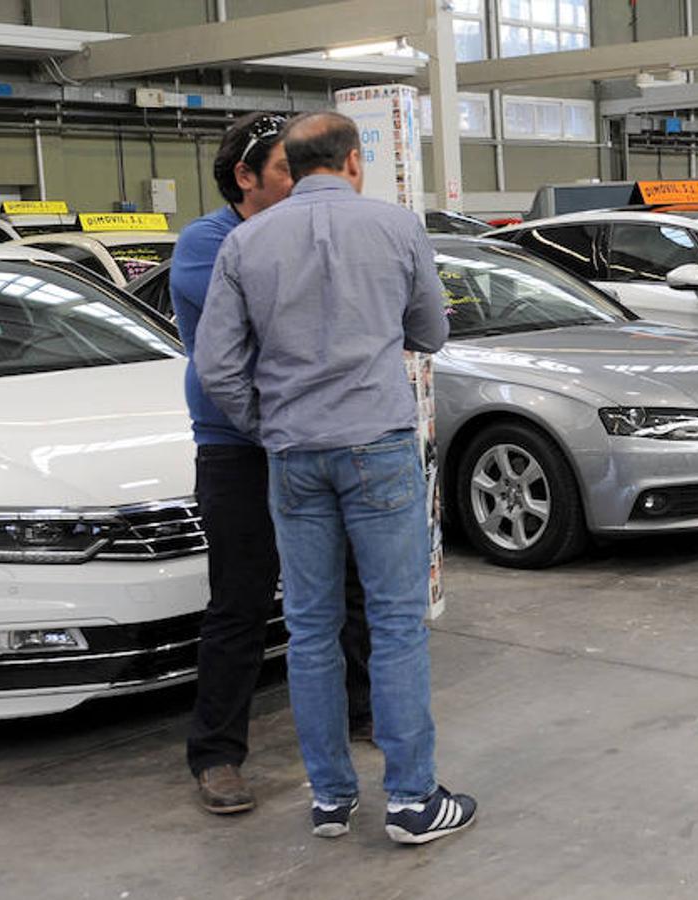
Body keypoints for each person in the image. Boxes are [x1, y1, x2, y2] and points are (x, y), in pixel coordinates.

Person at [195, 111, 473, 844]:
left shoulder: (245, 242)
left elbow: (216, 364)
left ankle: (330, 799)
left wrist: (269, 423)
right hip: (374, 445)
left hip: (292, 455)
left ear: (293, 161)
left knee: (311, 631)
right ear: (354, 162)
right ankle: (412, 800)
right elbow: (431, 333)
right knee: (394, 627)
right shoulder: (394, 227)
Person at [172, 112, 374, 817]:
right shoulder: (208, 244)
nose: (301, 182)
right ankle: (217, 755)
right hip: (239, 444)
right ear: (246, 178)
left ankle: (360, 710)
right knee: (242, 599)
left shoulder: (288, 233)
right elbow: (277, 331)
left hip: (312, 436)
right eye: (287, 171)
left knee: (347, 585)